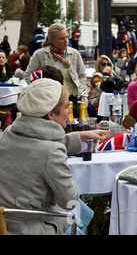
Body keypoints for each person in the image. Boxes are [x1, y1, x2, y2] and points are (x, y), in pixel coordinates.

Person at [0, 78, 107, 234]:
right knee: (77, 208)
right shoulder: (52, 152)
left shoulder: (7, 135)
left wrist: (80, 136)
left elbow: (36, 146)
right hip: (32, 227)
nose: (70, 110)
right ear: (50, 114)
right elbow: (69, 201)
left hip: (4, 222)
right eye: (66, 106)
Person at [24, 23, 87, 119]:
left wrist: (77, 92)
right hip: (48, 101)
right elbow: (28, 75)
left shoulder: (74, 53)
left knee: (71, 128)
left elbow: (82, 75)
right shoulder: (40, 54)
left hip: (70, 99)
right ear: (52, 40)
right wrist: (38, 90)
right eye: (61, 39)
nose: (66, 41)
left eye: (66, 37)